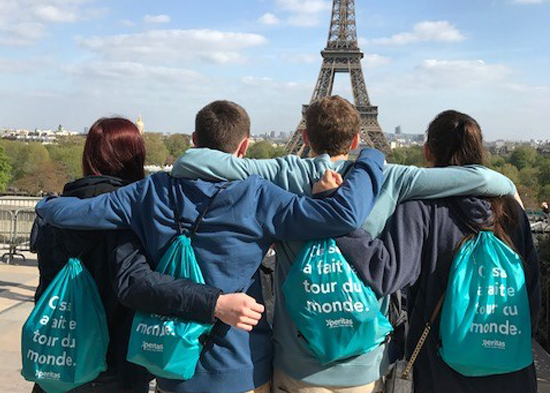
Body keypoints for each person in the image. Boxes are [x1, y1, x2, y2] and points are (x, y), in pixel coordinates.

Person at [170, 96, 518, 392]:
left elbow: (208, 161)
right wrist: (507, 187)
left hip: (297, 361)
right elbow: (478, 177)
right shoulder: (391, 178)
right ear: (355, 140)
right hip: (365, 360)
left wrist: (185, 157)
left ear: (305, 136)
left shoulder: (285, 172)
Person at [35, 100, 385, 393]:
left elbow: (79, 212)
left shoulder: (150, 190)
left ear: (193, 139)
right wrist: (370, 158)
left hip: (171, 362)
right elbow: (340, 214)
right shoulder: (257, 194)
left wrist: (46, 205)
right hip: (240, 364)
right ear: (244, 147)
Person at [31, 117, 264, 393]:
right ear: (135, 156)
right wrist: (214, 302)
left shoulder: (55, 211)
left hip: (57, 357)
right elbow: (136, 284)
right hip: (113, 368)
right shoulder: (128, 212)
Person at [333, 110, 540, 393]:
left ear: (428, 151)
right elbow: (531, 291)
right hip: (511, 368)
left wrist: (339, 221)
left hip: (440, 368)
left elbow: (386, 274)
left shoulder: (420, 208)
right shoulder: (511, 208)